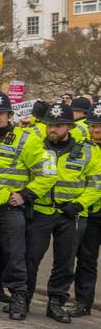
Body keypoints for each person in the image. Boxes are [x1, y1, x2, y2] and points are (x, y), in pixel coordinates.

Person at [0, 90, 52, 320]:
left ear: (9, 115)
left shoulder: (26, 139)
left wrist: (26, 194)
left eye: (0, 113)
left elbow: (48, 173)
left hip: (9, 208)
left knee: (15, 256)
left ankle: (18, 297)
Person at [25, 101, 101, 322]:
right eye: (50, 125)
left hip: (72, 214)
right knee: (30, 257)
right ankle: (23, 297)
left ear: (69, 127)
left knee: (65, 262)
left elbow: (96, 184)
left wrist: (79, 204)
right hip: (41, 211)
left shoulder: (88, 151)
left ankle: (56, 303)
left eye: (59, 126)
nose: (53, 129)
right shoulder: (36, 146)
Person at [68, 102, 101, 317]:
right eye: (93, 126)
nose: (97, 130)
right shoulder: (84, 148)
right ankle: (83, 302)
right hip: (93, 212)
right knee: (86, 259)